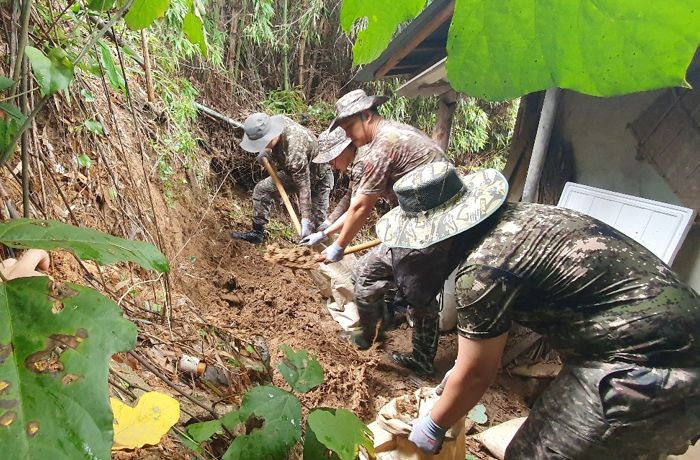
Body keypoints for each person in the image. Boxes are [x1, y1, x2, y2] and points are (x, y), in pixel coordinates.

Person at [374, 162, 700, 458]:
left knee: (535, 454)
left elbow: (477, 373)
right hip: (660, 340)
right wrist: (461, 370)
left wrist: (433, 425)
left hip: (651, 365)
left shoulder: (483, 271)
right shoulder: (523, 218)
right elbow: (476, 357)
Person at [302, 90, 448, 375]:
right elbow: (355, 202)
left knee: (371, 275)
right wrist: (327, 232)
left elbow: (361, 207)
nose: (348, 135)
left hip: (428, 224)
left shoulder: (382, 147)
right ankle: (394, 336)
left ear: (366, 115)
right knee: (414, 287)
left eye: (349, 127)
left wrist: (338, 247)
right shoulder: (394, 134)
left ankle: (370, 337)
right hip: (426, 219)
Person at [232, 113, 334, 244]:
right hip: (295, 172)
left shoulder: (294, 151)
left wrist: (306, 220)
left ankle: (325, 252)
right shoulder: (274, 124)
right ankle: (257, 233)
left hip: (320, 177)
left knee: (318, 225)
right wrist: (267, 151)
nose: (261, 146)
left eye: (263, 143)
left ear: (272, 135)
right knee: (262, 190)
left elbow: (304, 187)